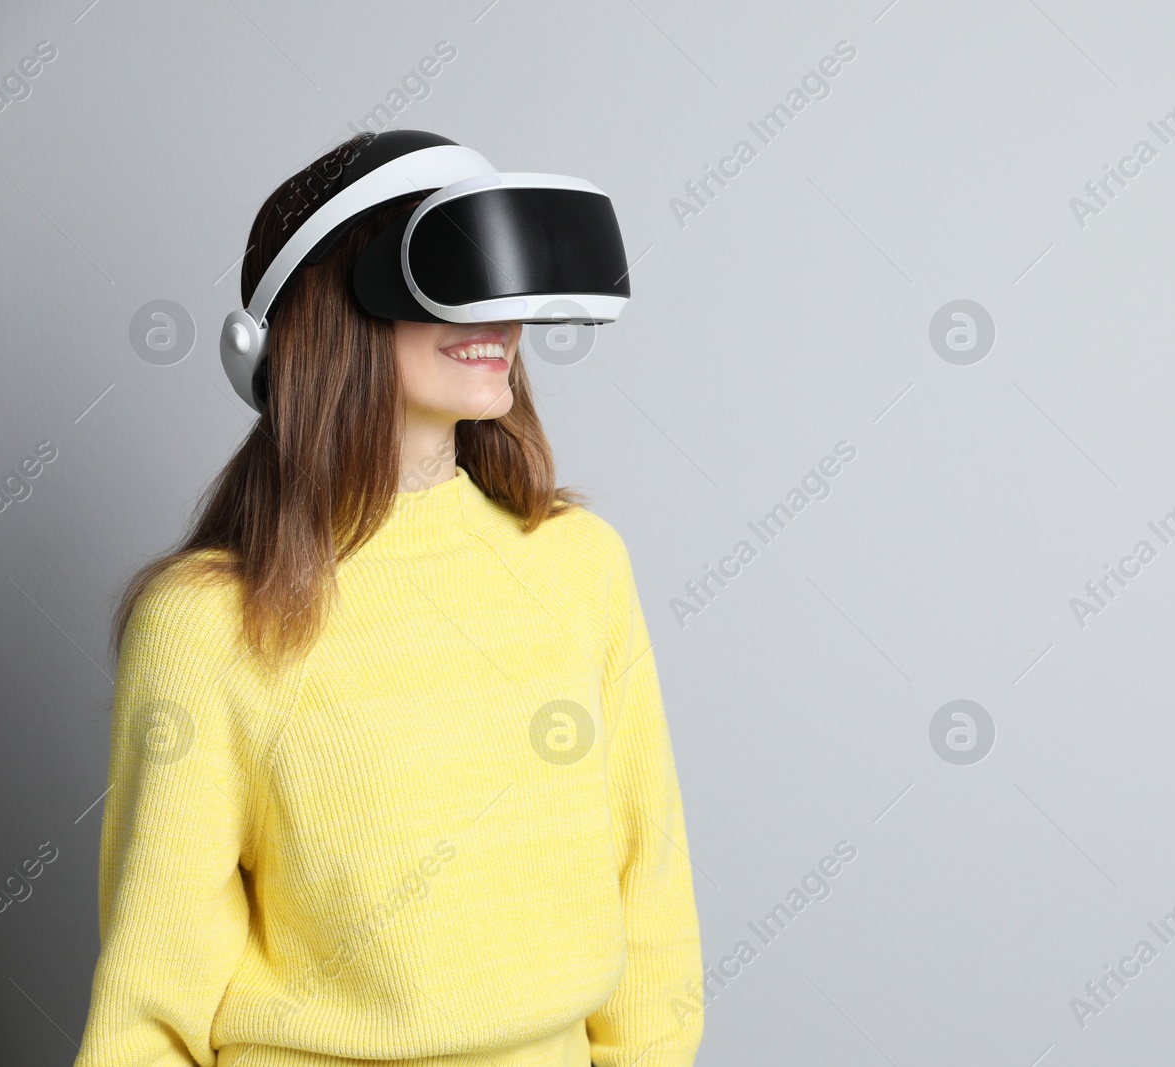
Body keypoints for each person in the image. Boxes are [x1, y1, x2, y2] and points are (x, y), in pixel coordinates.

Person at [71, 132, 705, 1067]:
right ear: (335, 305)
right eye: (458, 273)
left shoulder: (582, 566)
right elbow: (156, 988)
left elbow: (650, 885)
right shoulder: (204, 620)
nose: (500, 318)